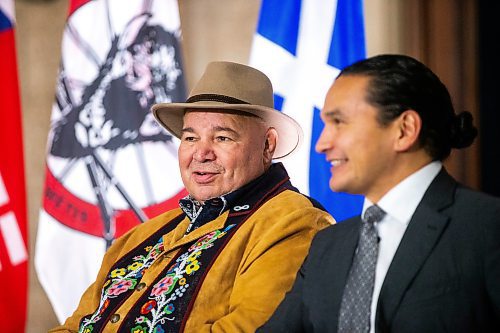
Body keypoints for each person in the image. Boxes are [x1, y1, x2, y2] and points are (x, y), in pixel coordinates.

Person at [50, 61, 333, 332]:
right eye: (190, 138)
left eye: (222, 137)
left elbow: (251, 329)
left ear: (267, 145)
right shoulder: (139, 236)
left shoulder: (294, 222)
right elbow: (74, 326)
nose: (201, 153)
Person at [258, 54, 500, 333]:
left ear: (404, 130)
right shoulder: (327, 245)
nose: (321, 144)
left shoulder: (487, 226)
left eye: (339, 122)